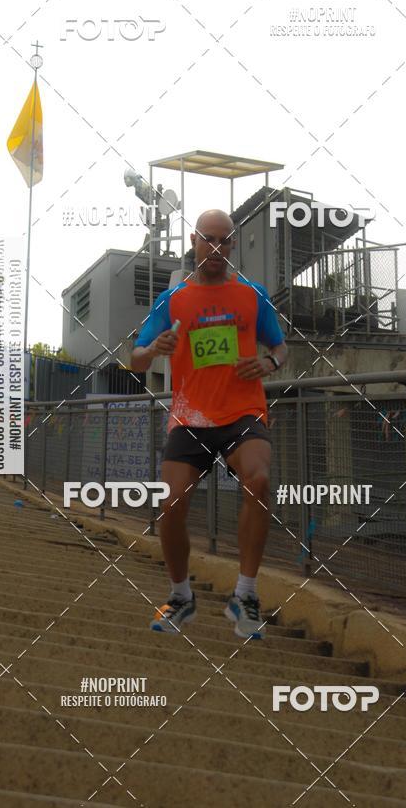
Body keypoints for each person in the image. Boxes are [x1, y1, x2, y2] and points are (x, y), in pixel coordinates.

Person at [131, 210, 287, 639]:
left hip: (242, 412)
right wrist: (154, 349)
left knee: (258, 480)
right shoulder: (173, 300)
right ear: (193, 241)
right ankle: (181, 596)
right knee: (171, 503)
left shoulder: (252, 296)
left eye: (224, 241)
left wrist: (269, 362)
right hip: (191, 416)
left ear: (232, 247)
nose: (216, 248)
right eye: (208, 240)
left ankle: (246, 593)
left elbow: (280, 345)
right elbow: (135, 356)